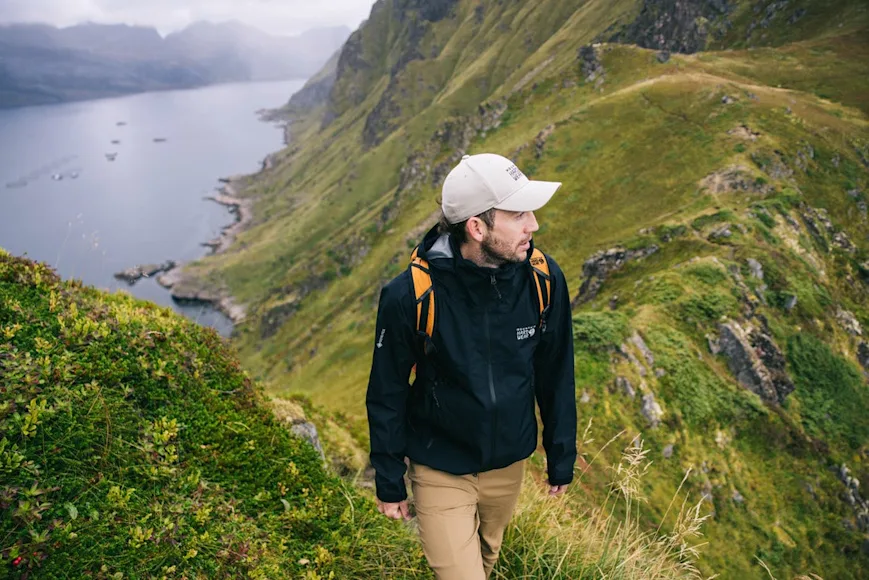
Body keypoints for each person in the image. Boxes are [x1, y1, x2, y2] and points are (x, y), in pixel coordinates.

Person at [366, 153, 577, 580]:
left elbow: (555, 370)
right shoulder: (410, 295)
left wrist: (561, 453)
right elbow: (386, 390)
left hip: (508, 467)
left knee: (483, 563)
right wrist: (390, 478)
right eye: (518, 214)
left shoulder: (543, 278)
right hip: (440, 465)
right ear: (477, 228)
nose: (533, 225)